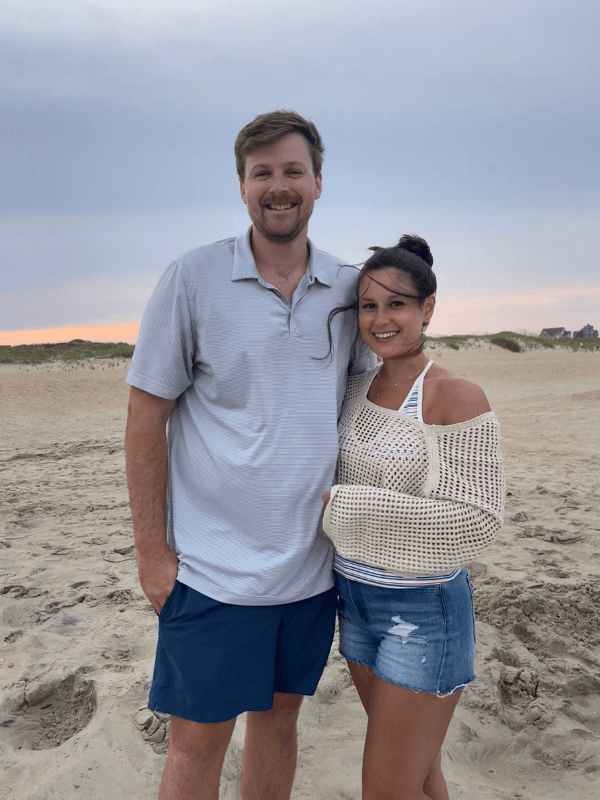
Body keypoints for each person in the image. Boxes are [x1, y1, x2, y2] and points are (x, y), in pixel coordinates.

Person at [124, 110, 375, 800]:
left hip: (310, 571)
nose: (278, 185)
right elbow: (147, 415)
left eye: (293, 170)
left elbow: (375, 404)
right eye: (262, 173)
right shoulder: (193, 278)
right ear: (242, 188)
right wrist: (152, 552)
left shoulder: (351, 290)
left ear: (318, 182)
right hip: (211, 573)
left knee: (279, 726)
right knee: (196, 742)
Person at [322, 235, 505, 800]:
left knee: (384, 787)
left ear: (427, 309)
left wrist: (342, 508)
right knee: (418, 776)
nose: (380, 319)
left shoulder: (455, 395)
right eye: (368, 306)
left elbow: (475, 520)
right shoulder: (353, 389)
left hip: (422, 612)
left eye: (397, 303)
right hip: (354, 602)